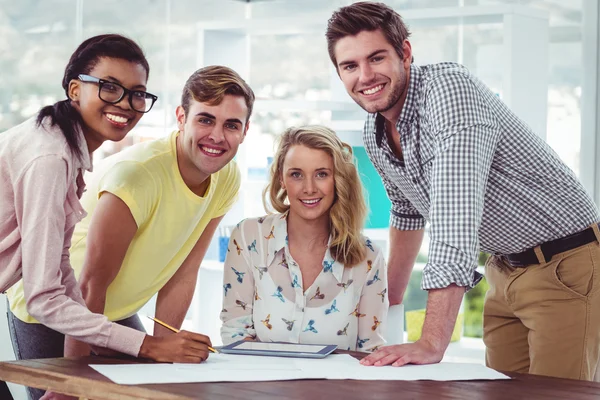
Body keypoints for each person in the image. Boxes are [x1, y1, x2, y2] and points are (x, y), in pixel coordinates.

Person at [325, 1, 600, 380]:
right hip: (504, 269)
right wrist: (386, 305)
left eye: (377, 58)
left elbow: (456, 220)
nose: (366, 75)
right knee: (500, 390)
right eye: (350, 66)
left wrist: (431, 341)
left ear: (405, 53)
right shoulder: (376, 132)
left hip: (567, 264)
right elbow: (407, 214)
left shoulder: (449, 92)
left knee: (556, 393)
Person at [0, 34, 217, 400]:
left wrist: (74, 374)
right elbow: (42, 296)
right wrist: (147, 346)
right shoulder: (50, 158)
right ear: (74, 89)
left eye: (137, 93)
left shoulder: (62, 147)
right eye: (109, 87)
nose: (126, 104)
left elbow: (60, 269)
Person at [220, 125, 388, 352]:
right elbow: (235, 333)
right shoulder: (249, 237)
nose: (309, 188)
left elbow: (370, 353)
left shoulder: (369, 256)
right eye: (296, 175)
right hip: (261, 383)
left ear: (338, 179)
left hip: (337, 386)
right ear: (281, 179)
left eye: (321, 174)